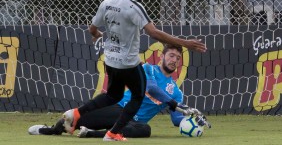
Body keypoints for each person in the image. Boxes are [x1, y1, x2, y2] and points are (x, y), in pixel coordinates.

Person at [62, 0, 207, 141]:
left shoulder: (106, 3)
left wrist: (97, 34)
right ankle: (112, 133)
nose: (174, 59)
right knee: (138, 96)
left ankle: (77, 113)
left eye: (178, 57)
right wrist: (186, 43)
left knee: (112, 95)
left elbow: (92, 28)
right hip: (128, 63)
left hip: (111, 61)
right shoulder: (134, 7)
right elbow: (153, 33)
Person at [28, 44, 209, 138]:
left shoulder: (176, 92)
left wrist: (191, 118)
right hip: (119, 109)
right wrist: (176, 104)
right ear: (162, 56)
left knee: (145, 130)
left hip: (133, 122)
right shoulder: (147, 69)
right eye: (171, 56)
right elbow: (151, 88)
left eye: (178, 58)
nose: (174, 60)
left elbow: (177, 120)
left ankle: (92, 133)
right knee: (74, 118)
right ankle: (51, 130)